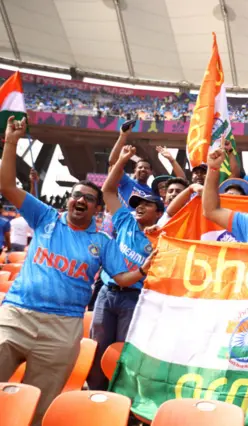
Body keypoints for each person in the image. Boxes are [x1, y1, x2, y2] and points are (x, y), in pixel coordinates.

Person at [0, 116, 155, 425]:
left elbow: (123, 277)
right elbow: (6, 185)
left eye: (89, 198)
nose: (81, 200)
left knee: (37, 408)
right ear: (68, 201)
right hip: (16, 317)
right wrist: (11, 141)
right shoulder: (45, 217)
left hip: (63, 329)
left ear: (97, 210)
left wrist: (143, 270)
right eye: (76, 195)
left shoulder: (102, 241)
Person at [87, 145, 163, 391]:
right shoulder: (125, 220)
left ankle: (118, 400)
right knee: (97, 349)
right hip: (106, 295)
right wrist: (121, 160)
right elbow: (108, 189)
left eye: (146, 204)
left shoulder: (161, 238)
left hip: (134, 299)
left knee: (122, 351)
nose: (139, 206)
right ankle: (95, 398)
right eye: (136, 203)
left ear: (159, 213)